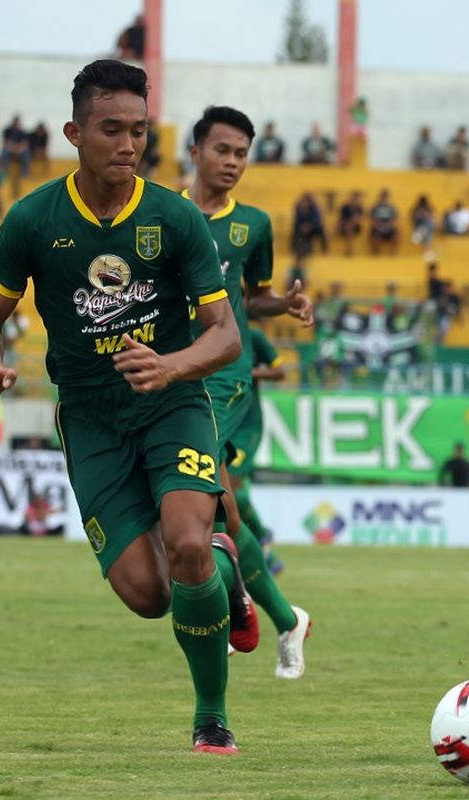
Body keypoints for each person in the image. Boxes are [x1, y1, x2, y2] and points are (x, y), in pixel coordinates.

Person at [0, 60, 246, 755]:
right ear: (75, 132)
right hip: (89, 417)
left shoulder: (174, 217)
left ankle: (210, 716)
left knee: (184, 546)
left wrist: (171, 366)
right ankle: (216, 561)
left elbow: (226, 335)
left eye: (140, 132)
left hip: (171, 403)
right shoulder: (33, 220)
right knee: (148, 595)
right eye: (111, 130)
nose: (128, 145)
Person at [182, 104, 314, 679]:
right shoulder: (163, 213)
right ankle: (286, 618)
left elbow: (251, 297)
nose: (233, 162)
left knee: (200, 503)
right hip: (171, 371)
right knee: (226, 518)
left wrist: (282, 304)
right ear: (196, 151)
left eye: (241, 154)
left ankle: (235, 610)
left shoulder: (253, 225)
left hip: (224, 376)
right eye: (223, 150)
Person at [226, 323, 288, 576]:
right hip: (220, 421)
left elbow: (280, 371)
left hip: (246, 427)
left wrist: (247, 372)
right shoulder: (202, 331)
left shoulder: (253, 335)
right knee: (228, 495)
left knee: (231, 489)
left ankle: (261, 537)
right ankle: (262, 553)